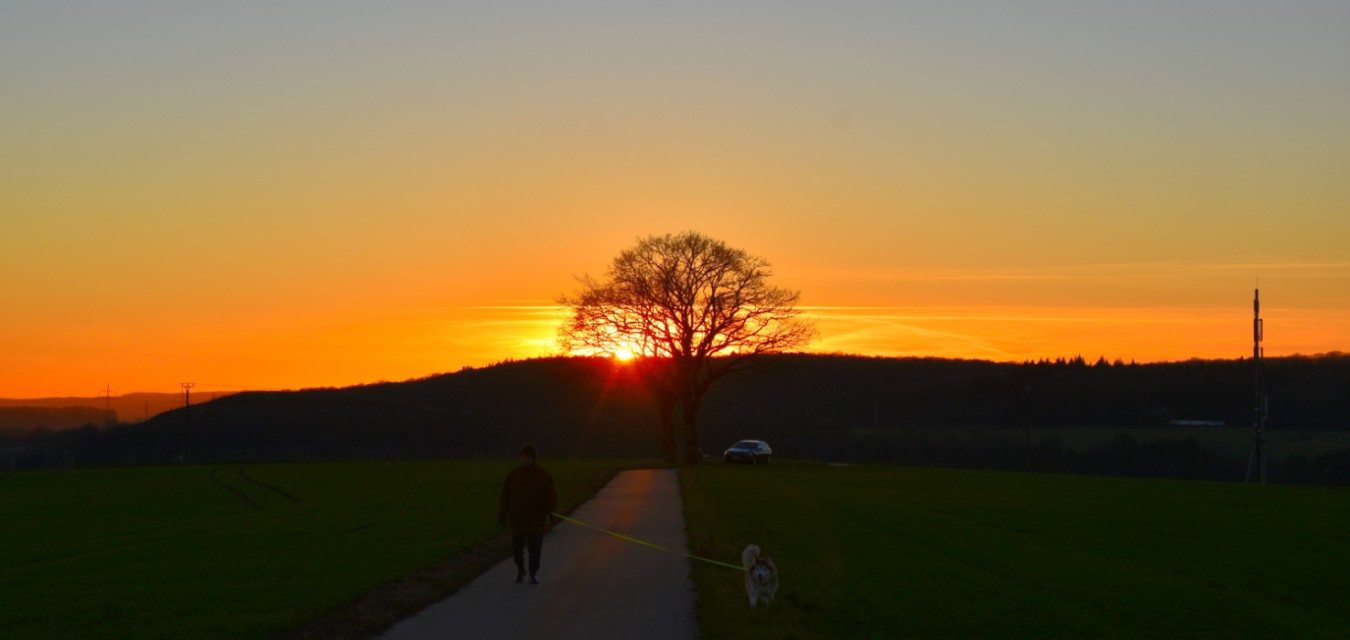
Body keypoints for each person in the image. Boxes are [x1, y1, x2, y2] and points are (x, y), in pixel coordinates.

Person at [498, 443, 557, 584]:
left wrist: (550, 506)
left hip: (536, 519)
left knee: (534, 548)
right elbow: (505, 496)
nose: (525, 459)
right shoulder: (512, 476)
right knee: (517, 549)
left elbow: (551, 493)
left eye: (528, 457)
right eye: (523, 456)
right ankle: (520, 570)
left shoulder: (544, 475)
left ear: (533, 458)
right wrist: (502, 513)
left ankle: (533, 572)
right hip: (517, 519)